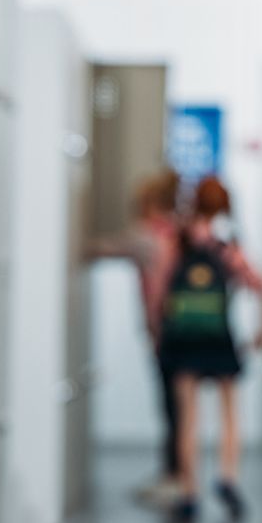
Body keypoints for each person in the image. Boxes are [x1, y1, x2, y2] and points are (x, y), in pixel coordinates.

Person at [160, 176, 262, 522]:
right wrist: (260, 328)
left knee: (188, 418)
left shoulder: (180, 238)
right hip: (218, 337)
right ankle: (227, 477)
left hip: (184, 339)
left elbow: (162, 288)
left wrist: (158, 328)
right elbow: (258, 282)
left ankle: (189, 492)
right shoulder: (225, 242)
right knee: (229, 415)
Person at [87, 170, 183, 503]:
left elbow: (100, 248)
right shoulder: (180, 233)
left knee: (171, 406)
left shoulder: (147, 236)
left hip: (165, 332)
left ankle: (175, 476)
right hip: (189, 332)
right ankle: (181, 476)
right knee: (180, 407)